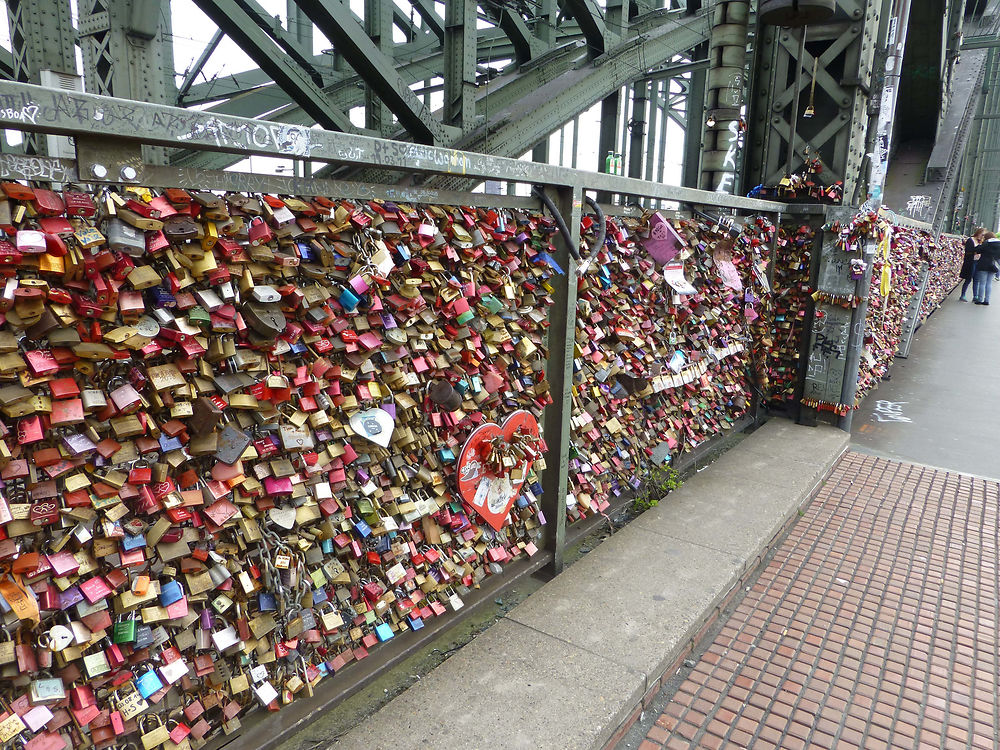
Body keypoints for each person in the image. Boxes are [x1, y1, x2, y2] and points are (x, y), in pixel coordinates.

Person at [972, 231, 1000, 305]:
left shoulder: (987, 243)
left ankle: (980, 299)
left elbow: (977, 250)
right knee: (989, 283)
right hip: (993, 265)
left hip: (983, 264)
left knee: (982, 283)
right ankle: (987, 300)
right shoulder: (998, 244)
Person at [959, 227, 986, 301]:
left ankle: (975, 296)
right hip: (971, 262)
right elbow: (968, 251)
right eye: (982, 234)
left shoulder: (980, 241)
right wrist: (976, 250)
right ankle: (963, 295)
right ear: (978, 233)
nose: (982, 236)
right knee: (968, 279)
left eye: (984, 235)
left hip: (977, 262)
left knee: (976, 279)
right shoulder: (971, 240)